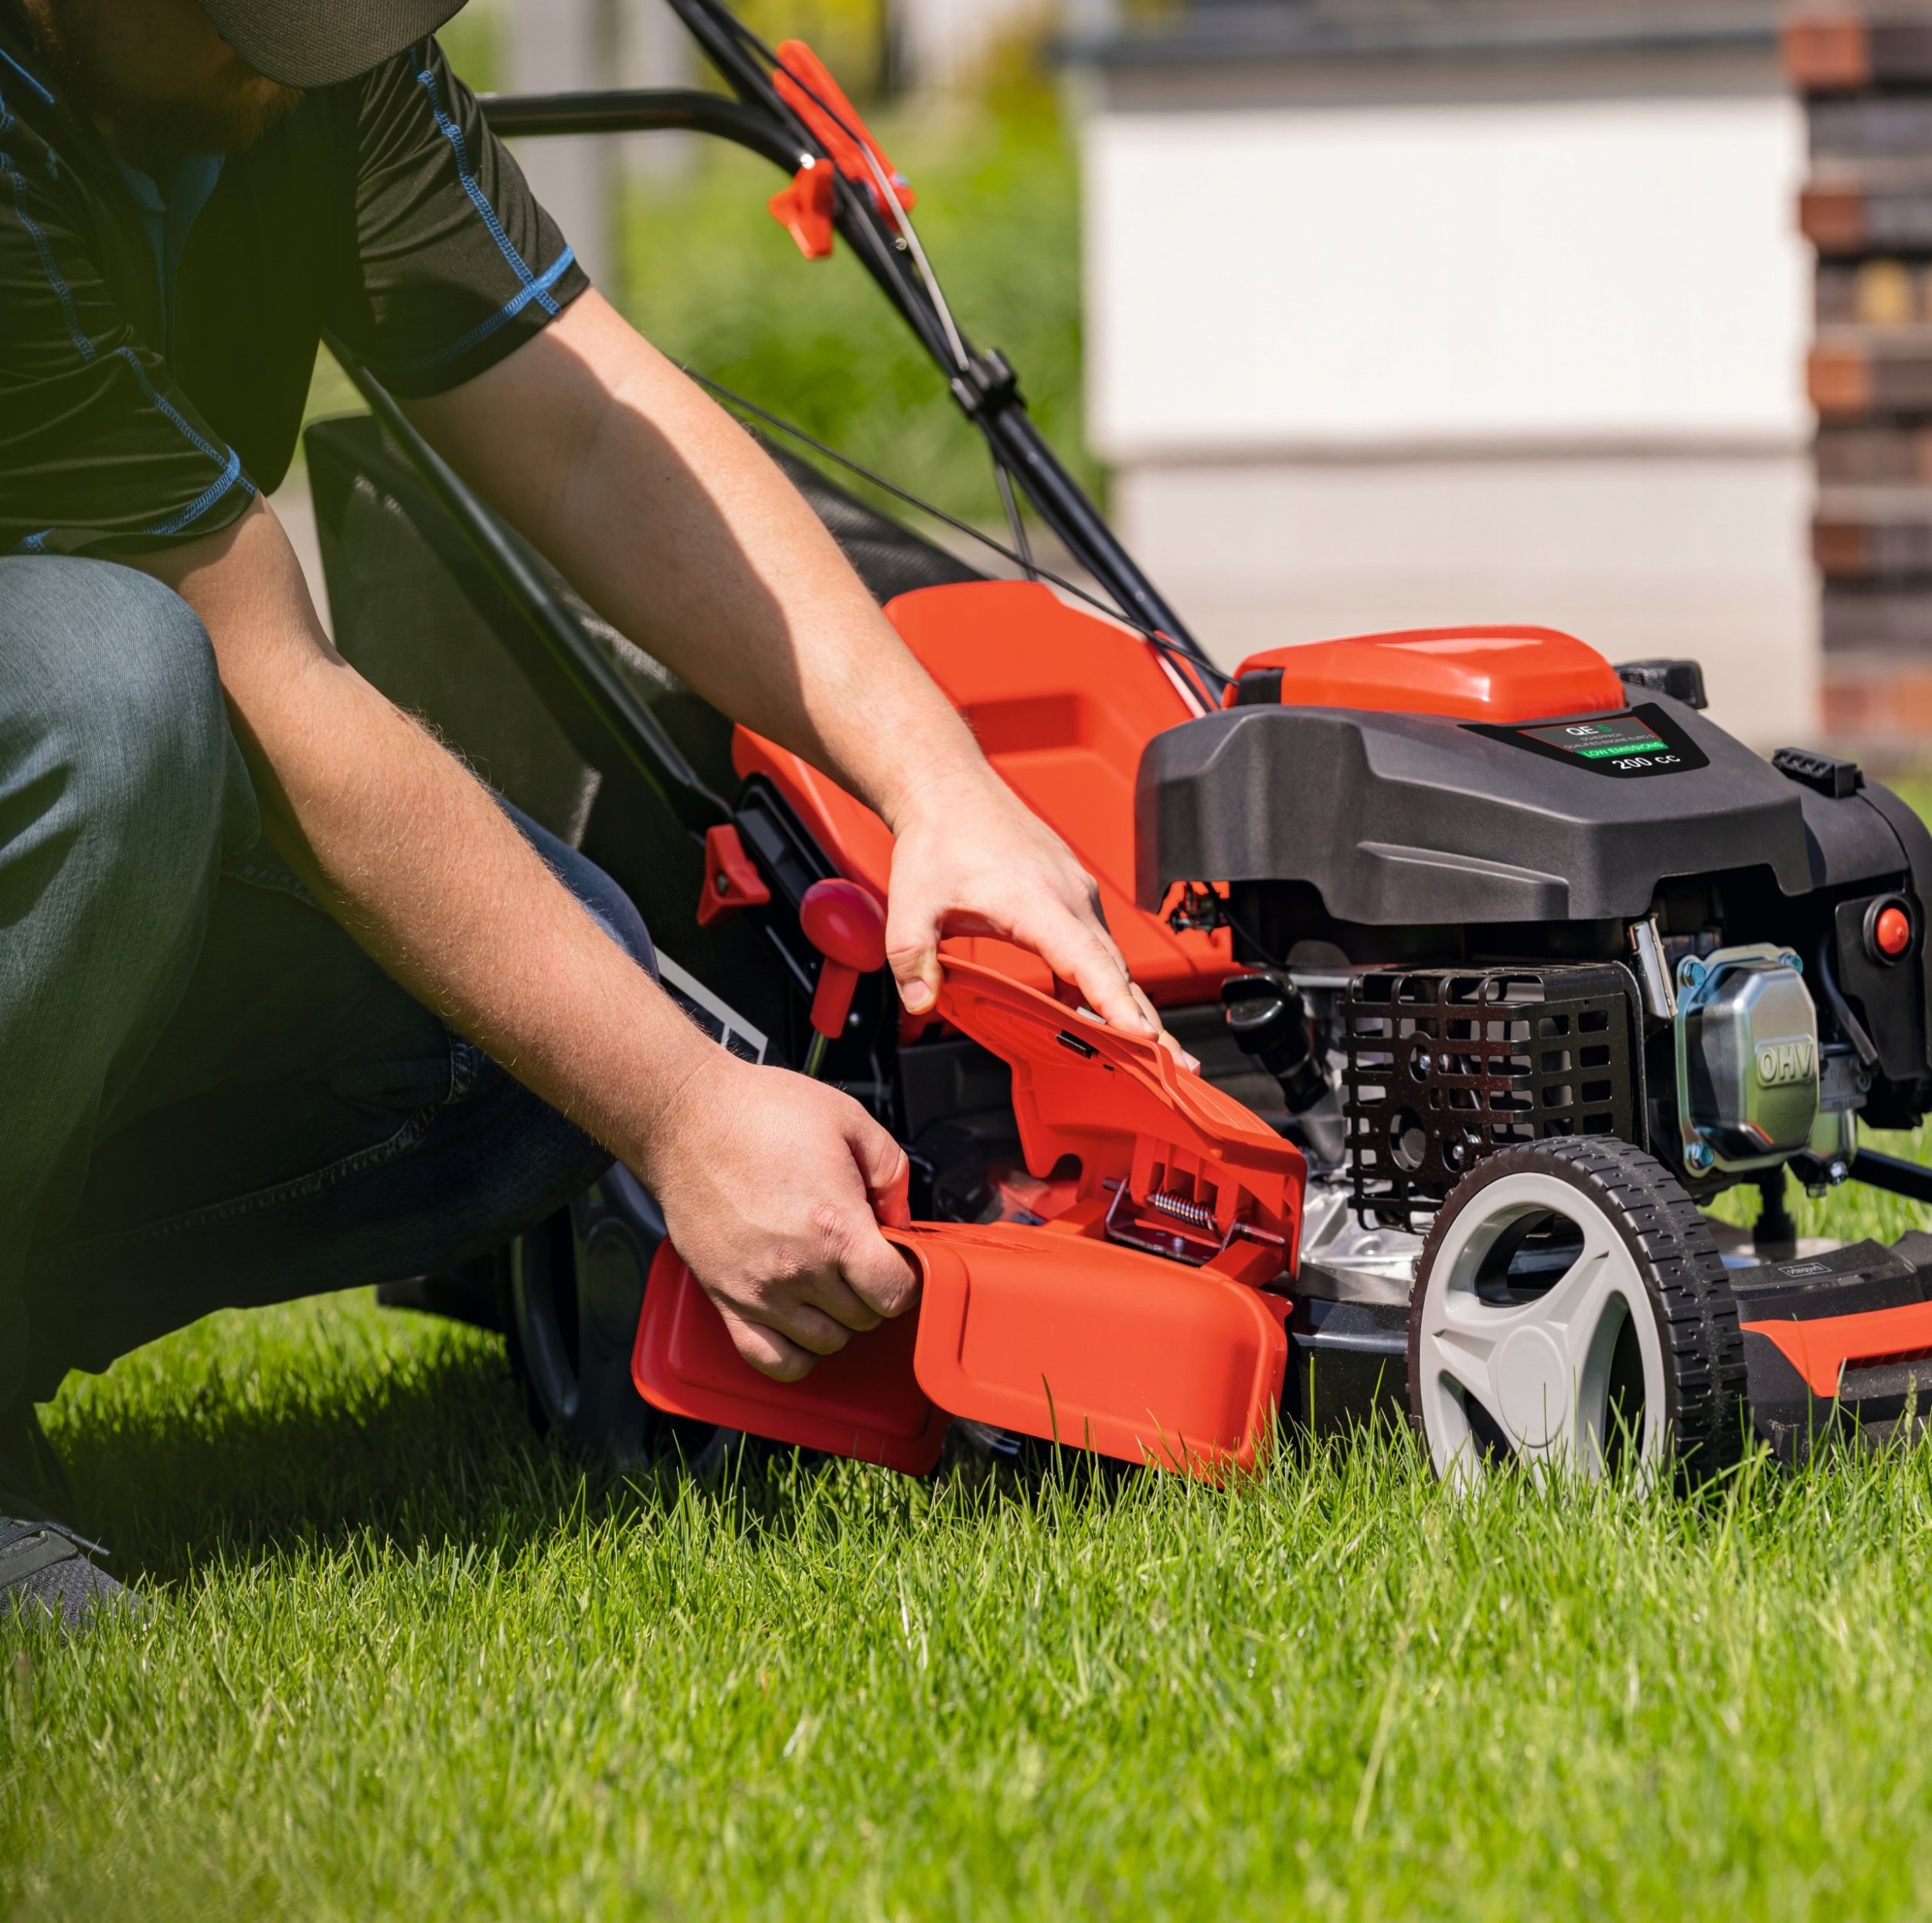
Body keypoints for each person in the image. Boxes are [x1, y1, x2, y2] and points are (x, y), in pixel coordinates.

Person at [0, 0, 1171, 1627]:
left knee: (548, 1021)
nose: (286, 75)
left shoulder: (315, 70)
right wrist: (687, 1117)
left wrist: (939, 790)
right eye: (243, 30)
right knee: (115, 687)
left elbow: (588, 433)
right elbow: (272, 679)